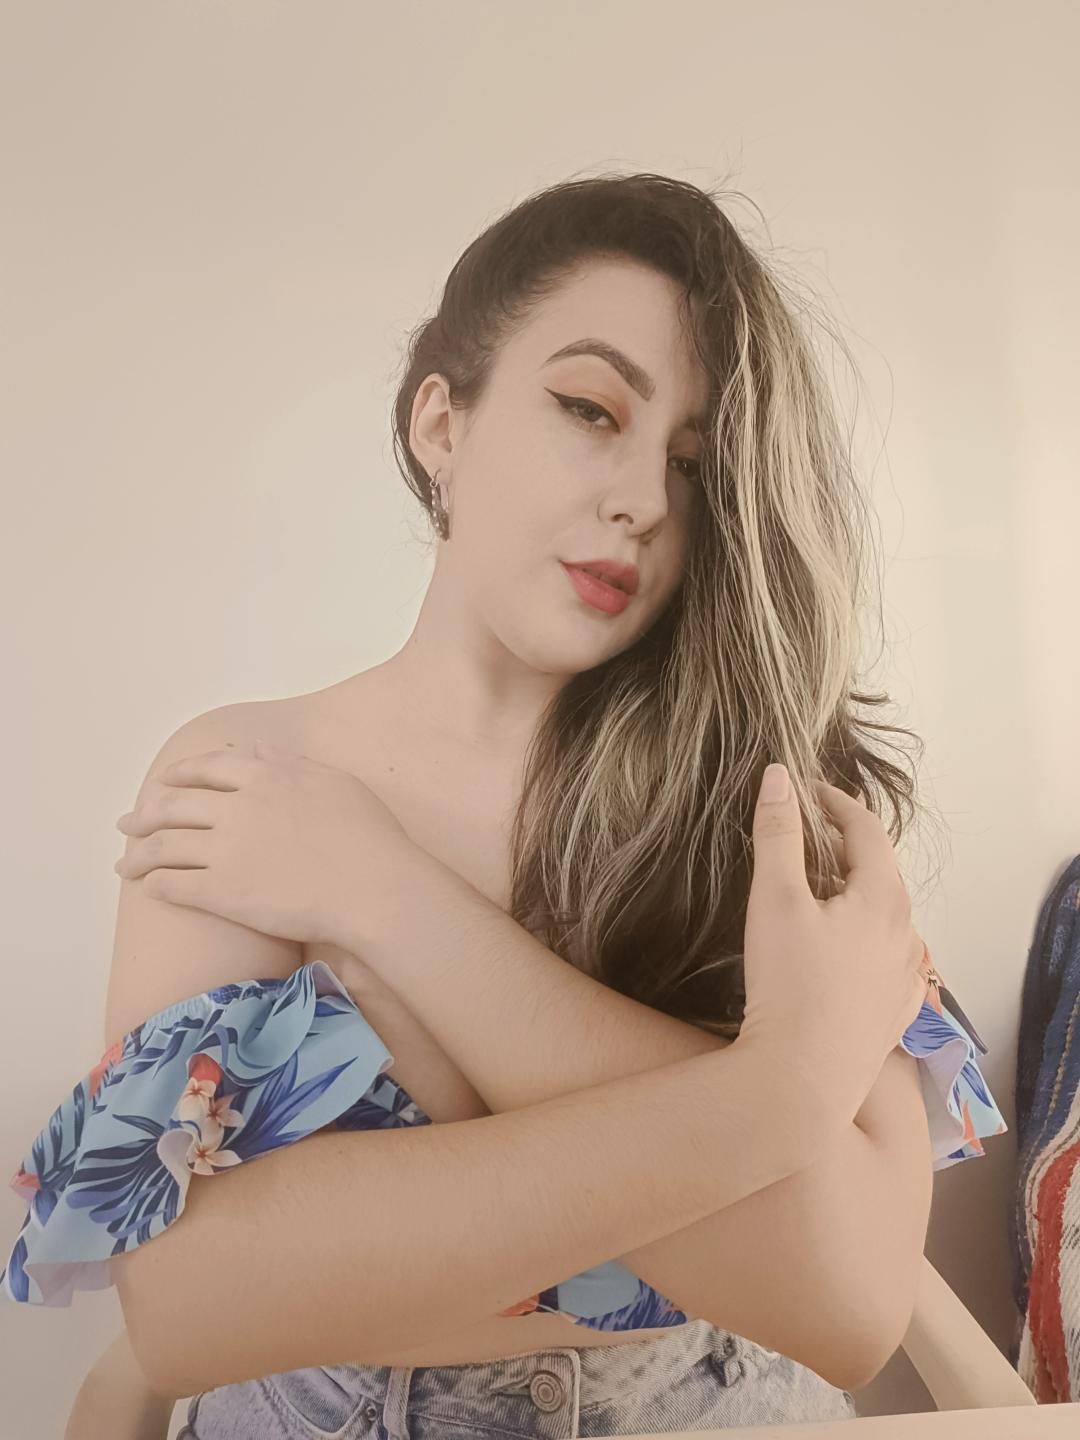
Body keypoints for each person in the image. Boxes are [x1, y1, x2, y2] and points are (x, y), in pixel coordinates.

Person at [7, 171, 1006, 1439]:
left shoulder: (769, 799)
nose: (644, 499)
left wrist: (386, 899)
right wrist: (773, 1105)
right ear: (442, 423)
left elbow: (849, 1301)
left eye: (693, 463)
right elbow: (192, 1305)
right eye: (590, 409)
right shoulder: (248, 774)